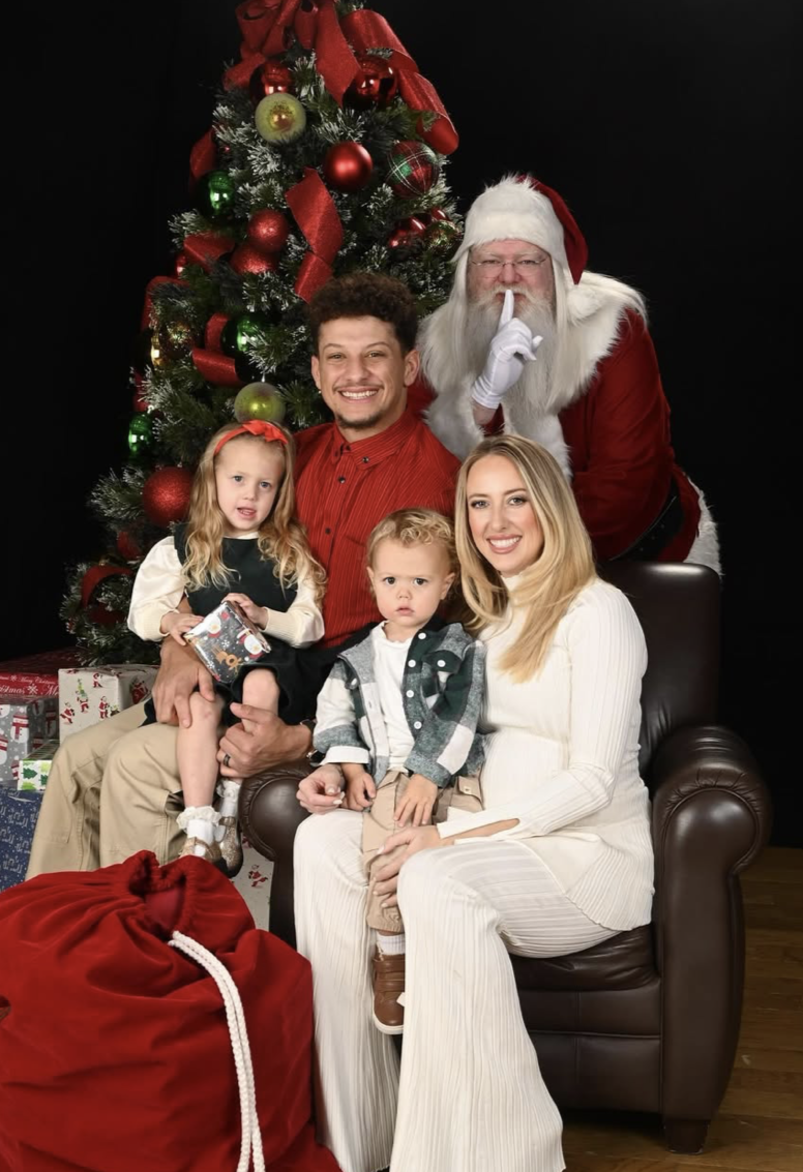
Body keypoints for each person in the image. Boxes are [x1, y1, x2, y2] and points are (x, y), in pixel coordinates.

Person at [294, 434, 654, 1172]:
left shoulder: (599, 612)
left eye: (516, 499)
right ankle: (353, 1137)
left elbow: (590, 781)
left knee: (433, 879)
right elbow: (405, 728)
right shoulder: (474, 620)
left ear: (550, 507)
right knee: (322, 842)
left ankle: (493, 1156)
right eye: (479, 503)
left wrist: (450, 843)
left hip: (583, 860)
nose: (497, 520)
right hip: (478, 836)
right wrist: (339, 767)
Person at [27, 272, 460, 877]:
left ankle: (144, 956)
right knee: (75, 759)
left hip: (329, 693)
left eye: (375, 356)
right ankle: (52, 949)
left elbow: (438, 652)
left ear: (410, 367)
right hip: (229, 665)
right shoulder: (285, 457)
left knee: (132, 763)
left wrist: (305, 735)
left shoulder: (441, 483)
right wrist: (183, 648)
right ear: (315, 371)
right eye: (337, 357)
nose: (354, 374)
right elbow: (206, 554)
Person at [414, 174, 720, 571]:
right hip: (499, 566)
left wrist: (519, 557)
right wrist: (481, 403)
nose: (508, 278)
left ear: (555, 272)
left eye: (527, 261)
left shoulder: (612, 328)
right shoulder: (435, 344)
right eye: (490, 262)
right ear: (467, 274)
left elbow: (625, 482)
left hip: (633, 557)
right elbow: (422, 478)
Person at [312, 508, 485, 1034]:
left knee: (461, 852)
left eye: (419, 581)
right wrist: (350, 764)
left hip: (451, 773)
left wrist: (428, 772)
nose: (404, 593)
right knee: (387, 848)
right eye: (391, 580)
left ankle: (450, 958)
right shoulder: (357, 657)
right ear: (371, 583)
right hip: (390, 777)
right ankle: (392, 956)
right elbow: (333, 713)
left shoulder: (456, 647)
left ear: (446, 584)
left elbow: (462, 710)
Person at [127, 419, 325, 872]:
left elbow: (310, 624)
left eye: (265, 485)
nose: (250, 495)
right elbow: (141, 611)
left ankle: (232, 807)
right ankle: (200, 828)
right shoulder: (187, 545)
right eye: (237, 479)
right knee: (198, 708)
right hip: (211, 663)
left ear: (280, 492)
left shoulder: (289, 549)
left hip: (267, 662)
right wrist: (172, 619)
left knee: (260, 684)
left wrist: (264, 617)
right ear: (212, 479)